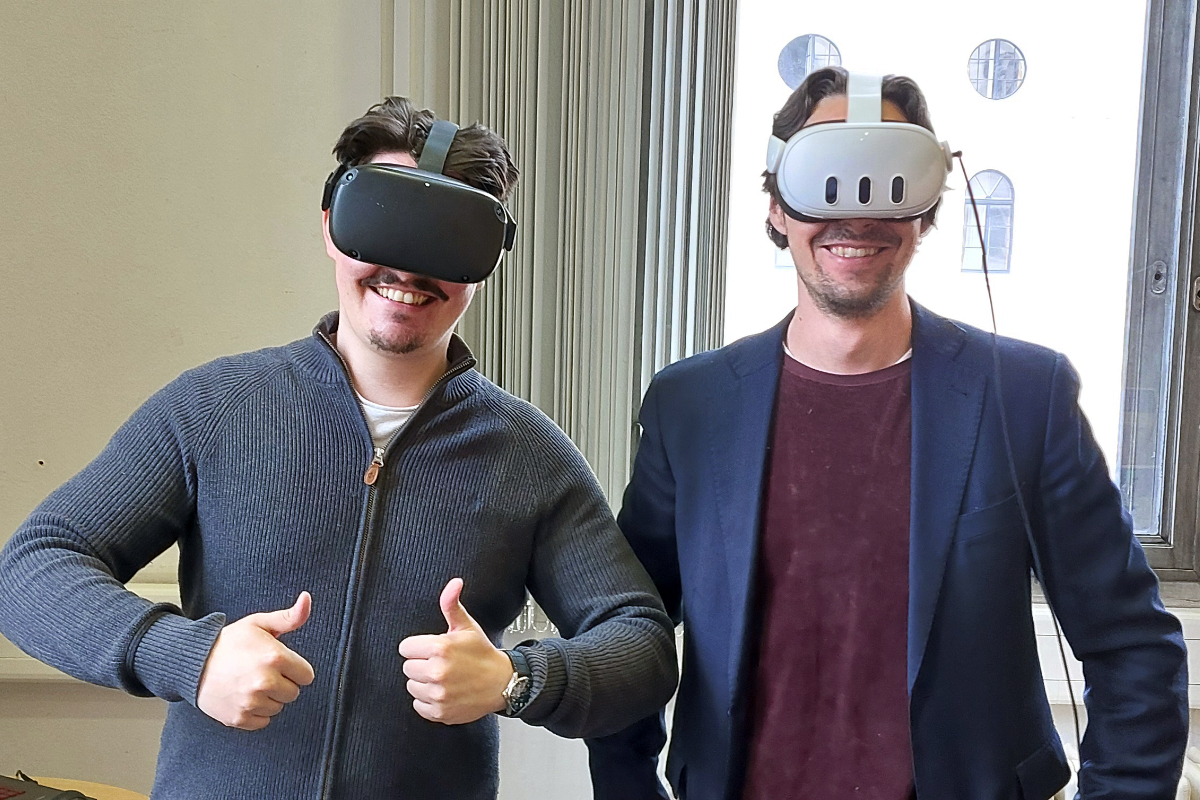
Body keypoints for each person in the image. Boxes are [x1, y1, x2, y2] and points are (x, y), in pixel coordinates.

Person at [0, 96, 677, 799]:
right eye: (385, 221)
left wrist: (518, 679)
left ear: (485, 262)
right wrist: (189, 656)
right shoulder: (213, 408)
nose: (407, 270)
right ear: (331, 224)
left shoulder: (528, 456)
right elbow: (33, 566)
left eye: (445, 237)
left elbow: (642, 645)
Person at [587, 67, 1188, 800]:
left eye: (887, 178)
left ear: (926, 205)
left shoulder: (1025, 397)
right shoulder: (690, 405)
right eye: (825, 177)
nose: (856, 211)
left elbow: (1131, 644)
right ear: (776, 204)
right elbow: (629, 628)